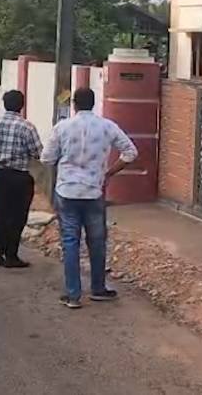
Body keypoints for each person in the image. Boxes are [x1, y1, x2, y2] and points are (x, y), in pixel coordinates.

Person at [41, 87, 137, 309]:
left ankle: (73, 295)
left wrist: (63, 163)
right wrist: (109, 173)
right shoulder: (107, 126)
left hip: (67, 191)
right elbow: (131, 152)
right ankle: (98, 288)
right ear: (94, 103)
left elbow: (46, 159)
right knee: (97, 241)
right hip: (94, 191)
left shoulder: (62, 127)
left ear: (74, 104)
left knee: (70, 242)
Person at [0, 90, 42, 268]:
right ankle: (11, 255)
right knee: (17, 215)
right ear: (22, 105)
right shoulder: (27, 127)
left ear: (4, 104)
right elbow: (37, 152)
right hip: (18, 175)